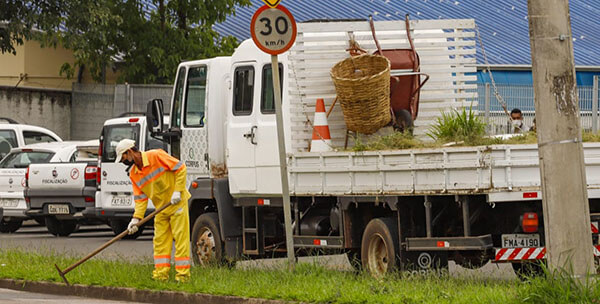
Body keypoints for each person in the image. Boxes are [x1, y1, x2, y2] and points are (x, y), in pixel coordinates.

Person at [114, 139, 191, 282]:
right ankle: (161, 276)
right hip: (161, 208)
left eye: (123, 158)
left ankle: (183, 277)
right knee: (160, 242)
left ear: (129, 152)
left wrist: (178, 191)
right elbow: (140, 199)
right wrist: (136, 219)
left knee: (181, 240)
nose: (123, 161)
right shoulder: (134, 174)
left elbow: (181, 168)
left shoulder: (156, 156)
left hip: (177, 204)